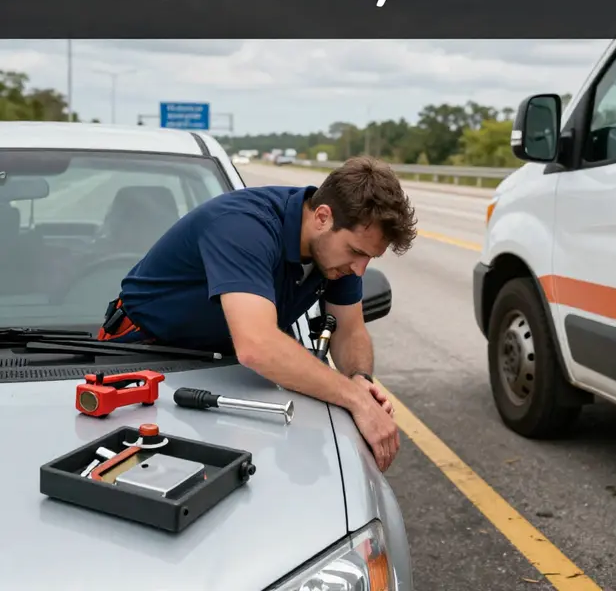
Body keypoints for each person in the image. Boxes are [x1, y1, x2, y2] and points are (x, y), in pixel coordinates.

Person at [96, 156, 417, 472]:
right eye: (357, 252)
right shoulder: (244, 226)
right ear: (322, 217)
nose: (359, 269)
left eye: (369, 258)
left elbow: (349, 330)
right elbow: (258, 345)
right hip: (140, 357)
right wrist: (355, 401)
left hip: (232, 368)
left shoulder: (336, 255)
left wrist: (360, 381)